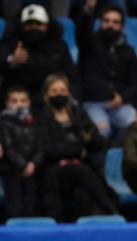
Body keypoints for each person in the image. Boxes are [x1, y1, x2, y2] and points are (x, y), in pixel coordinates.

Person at [38, 73, 118, 222]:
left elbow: (100, 144)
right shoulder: (42, 118)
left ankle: (81, 235)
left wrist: (89, 139)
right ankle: (111, 210)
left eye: (62, 91)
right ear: (46, 94)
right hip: (54, 174)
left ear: (69, 93)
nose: (59, 94)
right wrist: (77, 150)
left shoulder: (78, 114)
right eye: (54, 91)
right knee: (79, 169)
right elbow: (46, 150)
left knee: (82, 194)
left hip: (82, 173)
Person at [77, 0, 137, 141]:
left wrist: (123, 98)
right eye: (106, 21)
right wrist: (87, 11)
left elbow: (135, 84)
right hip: (93, 102)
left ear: (122, 27)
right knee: (102, 131)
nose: (110, 25)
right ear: (100, 23)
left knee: (134, 126)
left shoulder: (128, 51)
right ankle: (100, 163)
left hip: (119, 104)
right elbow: (82, 32)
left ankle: (118, 158)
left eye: (115, 22)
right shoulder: (90, 43)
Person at [0, 4, 81, 110]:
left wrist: (73, 100)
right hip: (18, 102)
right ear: (21, 26)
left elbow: (72, 76)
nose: (33, 27)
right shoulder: (11, 43)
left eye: (38, 24)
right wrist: (12, 61)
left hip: (50, 102)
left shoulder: (58, 46)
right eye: (29, 24)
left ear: (47, 26)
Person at [0, 86, 43, 219]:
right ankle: (12, 237)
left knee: (29, 205)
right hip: (11, 171)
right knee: (14, 206)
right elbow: (8, 147)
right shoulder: (3, 121)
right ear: (7, 103)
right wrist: (23, 166)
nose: (19, 104)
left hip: (31, 170)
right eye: (14, 101)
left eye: (23, 101)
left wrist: (33, 163)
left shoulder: (34, 121)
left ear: (29, 102)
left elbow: (40, 145)